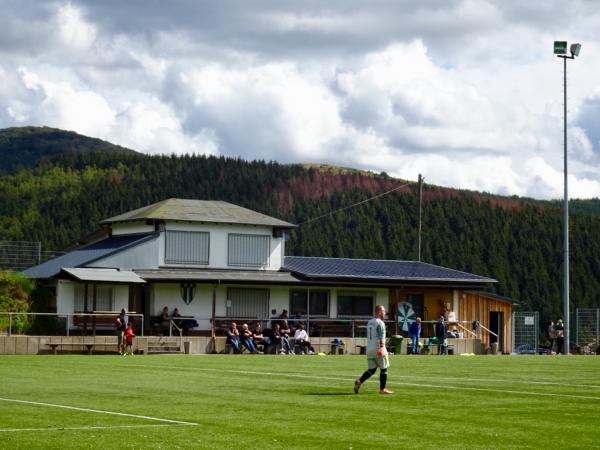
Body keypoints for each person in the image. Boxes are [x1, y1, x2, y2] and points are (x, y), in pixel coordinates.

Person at [353, 305, 394, 395]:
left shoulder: (369, 322)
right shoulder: (380, 323)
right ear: (379, 311)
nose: (385, 313)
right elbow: (381, 337)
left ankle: (359, 381)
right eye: (383, 311)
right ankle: (382, 389)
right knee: (384, 369)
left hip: (369, 349)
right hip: (378, 348)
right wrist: (382, 348)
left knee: (372, 369)